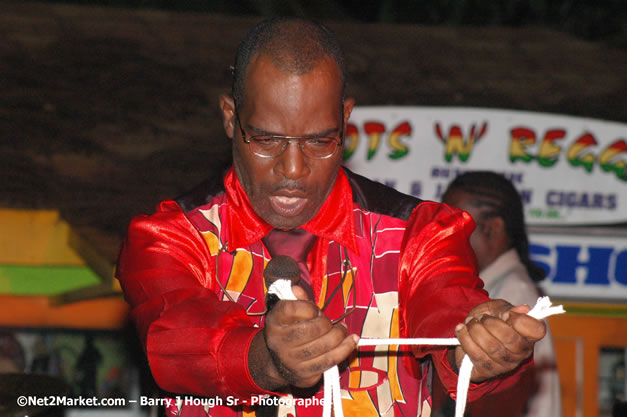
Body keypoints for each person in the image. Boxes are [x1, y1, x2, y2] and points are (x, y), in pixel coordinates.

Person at [116, 17, 547, 417]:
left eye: (321, 141)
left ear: (344, 120)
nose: (293, 169)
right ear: (231, 117)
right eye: (265, 140)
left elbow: (450, 306)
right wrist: (266, 359)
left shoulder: (417, 233)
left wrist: (483, 343)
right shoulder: (170, 238)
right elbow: (177, 336)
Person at [442, 171, 562, 417]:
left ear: (492, 229)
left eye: (454, 226)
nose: (443, 236)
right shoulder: (492, 287)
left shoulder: (514, 294)